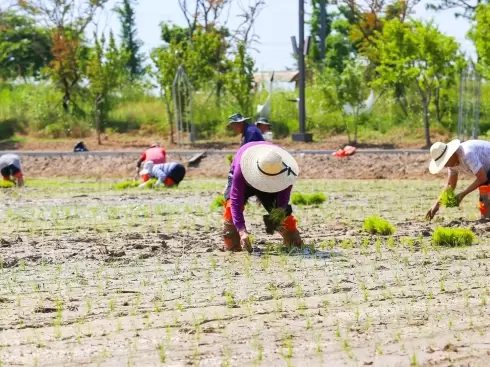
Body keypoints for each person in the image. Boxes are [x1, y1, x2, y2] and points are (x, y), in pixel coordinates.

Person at [223, 141, 302, 252]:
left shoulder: (286, 171)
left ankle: (293, 241)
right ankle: (233, 246)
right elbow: (236, 201)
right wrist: (242, 231)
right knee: (230, 207)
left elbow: (282, 202)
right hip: (245, 180)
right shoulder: (241, 168)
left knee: (280, 212)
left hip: (273, 181)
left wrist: (275, 219)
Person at [426, 139, 490, 220]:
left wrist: (462, 194)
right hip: (487, 171)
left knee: (486, 188)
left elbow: (482, 178)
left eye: (445, 161)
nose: (445, 165)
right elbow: (450, 184)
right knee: (486, 211)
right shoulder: (451, 164)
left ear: (451, 154)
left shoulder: (467, 154)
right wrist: (437, 204)